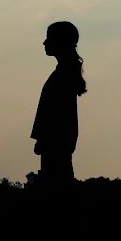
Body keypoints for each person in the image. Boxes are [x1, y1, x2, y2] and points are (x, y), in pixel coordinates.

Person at [30, 21, 87, 188]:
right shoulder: (65, 72)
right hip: (57, 143)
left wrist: (45, 139)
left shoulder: (63, 75)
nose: (45, 43)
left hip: (56, 144)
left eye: (49, 38)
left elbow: (57, 113)